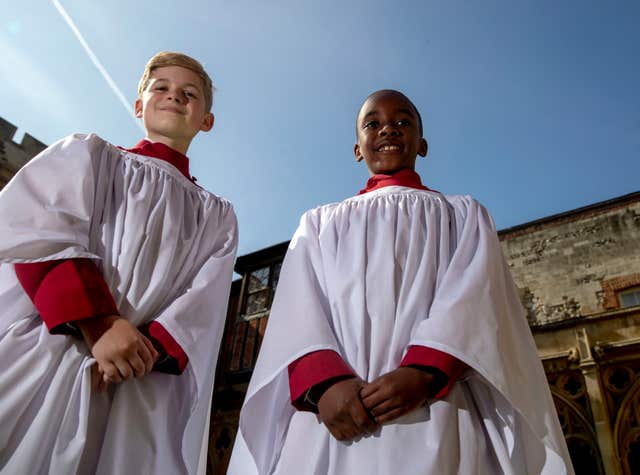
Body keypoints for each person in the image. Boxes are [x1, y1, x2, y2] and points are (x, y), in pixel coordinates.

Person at [228, 90, 573, 474]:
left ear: (422, 144)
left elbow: (476, 298)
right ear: (357, 148)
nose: (388, 128)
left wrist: (424, 371)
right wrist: (325, 385)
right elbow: (297, 310)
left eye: (403, 121)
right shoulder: (319, 223)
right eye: (372, 123)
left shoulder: (462, 215)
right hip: (334, 417)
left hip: (436, 408)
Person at [0, 52, 238, 475]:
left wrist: (138, 352)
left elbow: (203, 301)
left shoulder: (216, 215)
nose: (174, 96)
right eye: (160, 87)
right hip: (55, 345)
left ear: (207, 120)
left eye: (189, 93)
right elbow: (39, 231)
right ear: (138, 105)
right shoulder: (90, 156)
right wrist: (99, 323)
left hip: (137, 377)